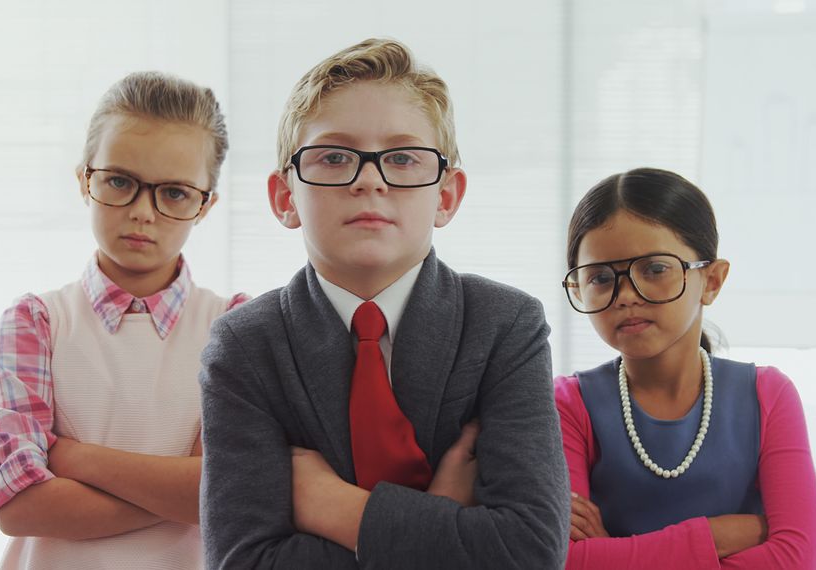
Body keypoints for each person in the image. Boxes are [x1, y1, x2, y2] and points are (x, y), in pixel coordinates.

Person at [198, 38, 569, 570]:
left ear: (446, 196)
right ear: (286, 198)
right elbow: (243, 562)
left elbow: (529, 551)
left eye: (401, 157)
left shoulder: (505, 326)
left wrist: (337, 508)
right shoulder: (244, 346)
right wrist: (439, 517)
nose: (370, 180)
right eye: (333, 157)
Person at [0, 71, 247, 569]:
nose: (143, 212)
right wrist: (181, 489)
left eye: (175, 193)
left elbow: (237, 493)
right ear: (85, 179)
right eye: (120, 181)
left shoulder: (235, 326)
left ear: (205, 205)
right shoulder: (36, 323)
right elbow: (16, 504)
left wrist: (76, 458)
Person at [555, 167, 816, 569]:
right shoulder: (568, 405)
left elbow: (796, 559)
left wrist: (614, 551)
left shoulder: (768, 395)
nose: (626, 295)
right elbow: (566, 560)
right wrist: (720, 535)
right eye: (600, 277)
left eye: (655, 269)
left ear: (712, 280)